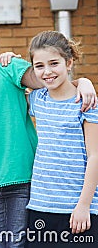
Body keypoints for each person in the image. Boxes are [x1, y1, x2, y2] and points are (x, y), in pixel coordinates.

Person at [0, 6, 97, 248]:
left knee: (18, 244)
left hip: (24, 179)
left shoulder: (9, 68)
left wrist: (84, 82)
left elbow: (53, 80)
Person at [25, 30, 98, 247]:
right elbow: (9, 84)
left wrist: (83, 205)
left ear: (69, 62)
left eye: (54, 63)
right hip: (41, 206)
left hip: (79, 209)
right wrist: (7, 58)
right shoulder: (37, 100)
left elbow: (95, 156)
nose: (47, 71)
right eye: (39, 66)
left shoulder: (86, 102)